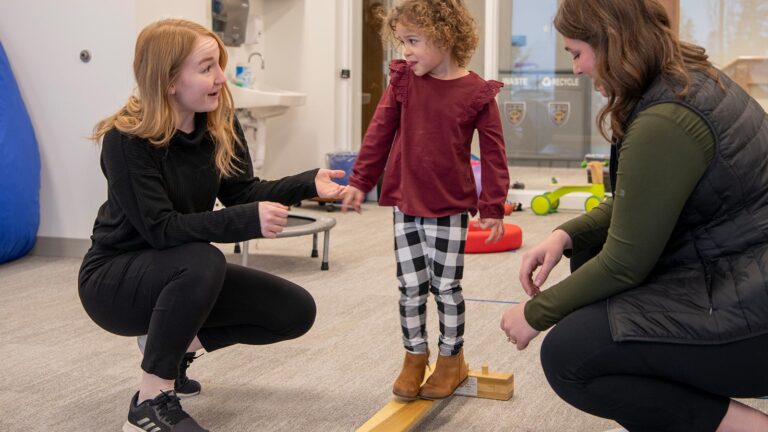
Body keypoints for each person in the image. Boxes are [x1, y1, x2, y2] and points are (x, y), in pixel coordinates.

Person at [500, 0, 768, 431]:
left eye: (576, 53)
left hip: (754, 304)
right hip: (741, 267)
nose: (576, 69)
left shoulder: (667, 118)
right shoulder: (684, 81)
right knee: (585, 256)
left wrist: (533, 314)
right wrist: (564, 234)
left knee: (571, 355)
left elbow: (626, 264)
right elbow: (638, 200)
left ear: (612, 41)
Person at [78, 19, 346, 432]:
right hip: (114, 280)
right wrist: (245, 222)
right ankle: (151, 397)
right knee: (203, 260)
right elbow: (160, 230)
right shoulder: (126, 139)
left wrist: (307, 183)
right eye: (206, 68)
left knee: (293, 311)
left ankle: (172, 345)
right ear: (168, 80)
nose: (221, 78)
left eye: (218, 65)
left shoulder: (217, 123)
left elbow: (242, 191)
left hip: (180, 269)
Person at [342, 0, 510, 401]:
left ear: (445, 36)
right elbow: (380, 131)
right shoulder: (403, 81)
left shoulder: (476, 92)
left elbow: (493, 152)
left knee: (446, 287)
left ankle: (451, 360)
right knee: (410, 287)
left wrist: (492, 205)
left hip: (449, 205)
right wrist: (360, 179)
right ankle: (414, 356)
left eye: (414, 41)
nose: (406, 51)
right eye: (401, 42)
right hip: (405, 200)